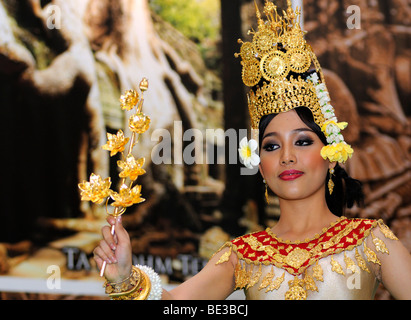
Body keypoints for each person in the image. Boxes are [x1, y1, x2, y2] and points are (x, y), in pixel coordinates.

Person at [93, 1, 411, 300]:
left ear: (330, 154)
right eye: (271, 145)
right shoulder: (242, 255)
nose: (287, 155)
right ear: (260, 164)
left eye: (302, 141)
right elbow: (176, 305)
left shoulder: (371, 241)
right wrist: (124, 277)